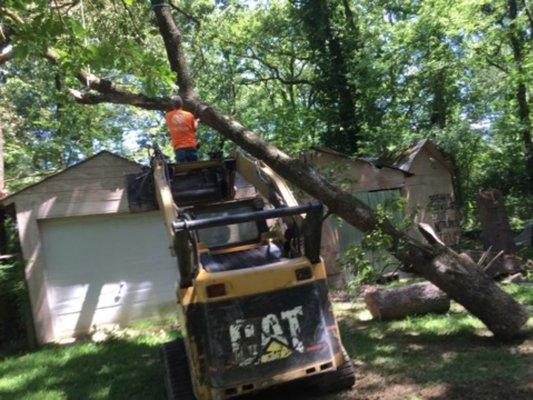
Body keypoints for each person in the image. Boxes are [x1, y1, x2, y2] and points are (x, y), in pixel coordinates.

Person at [165, 96, 199, 163]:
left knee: (183, 171)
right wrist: (196, 122)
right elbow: (194, 129)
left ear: (172, 105)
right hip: (191, 146)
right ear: (182, 104)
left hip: (179, 148)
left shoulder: (167, 116)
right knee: (195, 169)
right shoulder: (189, 115)